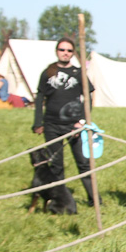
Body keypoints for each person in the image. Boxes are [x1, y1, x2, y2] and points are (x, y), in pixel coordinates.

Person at [31, 37, 97, 206]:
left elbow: (89, 97)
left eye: (69, 50)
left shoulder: (78, 72)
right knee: (56, 165)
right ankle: (60, 200)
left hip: (74, 125)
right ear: (57, 51)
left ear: (72, 53)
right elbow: (40, 98)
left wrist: (82, 121)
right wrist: (38, 122)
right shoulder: (48, 72)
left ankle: (94, 199)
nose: (65, 53)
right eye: (62, 50)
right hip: (52, 125)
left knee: (83, 163)